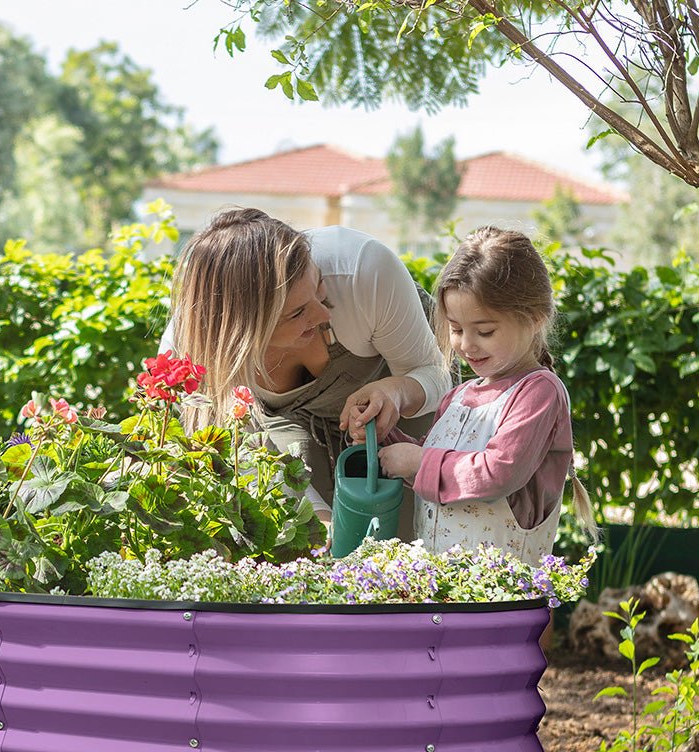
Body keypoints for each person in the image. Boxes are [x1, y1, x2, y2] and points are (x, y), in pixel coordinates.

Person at [161, 208, 452, 525]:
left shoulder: (363, 270)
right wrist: (320, 524)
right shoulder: (195, 351)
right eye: (297, 313)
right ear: (245, 333)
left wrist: (394, 392)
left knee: (411, 525)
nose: (323, 315)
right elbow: (253, 458)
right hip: (286, 421)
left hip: (406, 398)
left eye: (319, 287)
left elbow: (435, 375)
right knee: (303, 535)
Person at [377, 225, 596, 565]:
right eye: (456, 329)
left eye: (485, 331)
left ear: (534, 318)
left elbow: (497, 471)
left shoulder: (538, 392)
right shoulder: (459, 397)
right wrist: (385, 436)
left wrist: (419, 461)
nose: (466, 344)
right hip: (446, 590)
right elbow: (444, 469)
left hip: (501, 599)